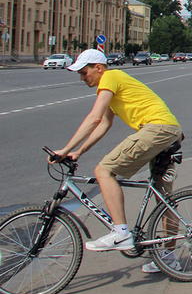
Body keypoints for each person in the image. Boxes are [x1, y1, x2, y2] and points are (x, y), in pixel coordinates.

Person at [51, 49, 182, 272]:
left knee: (104, 171)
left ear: (98, 68)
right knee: (164, 200)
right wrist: (79, 151)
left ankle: (121, 233)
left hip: (157, 129)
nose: (83, 78)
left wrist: (65, 149)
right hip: (168, 131)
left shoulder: (110, 77)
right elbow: (104, 124)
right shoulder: (113, 83)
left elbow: (93, 118)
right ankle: (168, 257)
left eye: (84, 73)